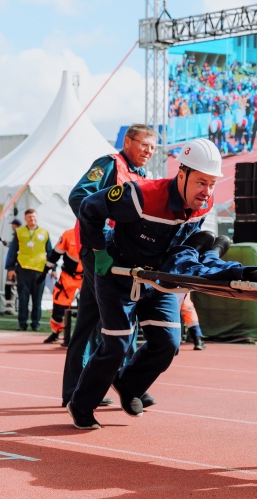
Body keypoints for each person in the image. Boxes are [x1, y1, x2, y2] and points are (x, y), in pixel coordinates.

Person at [67, 138, 222, 430]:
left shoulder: (205, 204)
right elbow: (88, 205)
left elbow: (186, 240)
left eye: (212, 184)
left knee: (168, 343)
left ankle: (127, 384)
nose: (207, 191)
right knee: (117, 343)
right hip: (119, 273)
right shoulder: (141, 195)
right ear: (183, 174)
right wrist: (98, 251)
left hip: (157, 278)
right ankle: (81, 404)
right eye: (202, 182)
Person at [62, 124, 156, 409]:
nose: (149, 152)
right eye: (144, 145)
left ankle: (76, 389)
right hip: (100, 250)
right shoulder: (108, 164)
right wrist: (103, 231)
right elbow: (79, 196)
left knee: (93, 319)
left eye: (153, 148)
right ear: (128, 142)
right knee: (118, 315)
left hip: (122, 253)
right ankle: (128, 383)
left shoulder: (142, 176)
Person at [5, 209, 52, 331]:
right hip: (23, 268)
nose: (32, 219)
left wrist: (53, 269)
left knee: (37, 298)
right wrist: (10, 268)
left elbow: (50, 252)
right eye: (30, 217)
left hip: (40, 270)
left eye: (34, 217)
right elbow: (12, 250)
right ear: (25, 219)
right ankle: (22, 323)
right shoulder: (19, 232)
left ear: (37, 218)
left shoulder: (44, 232)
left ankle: (35, 323)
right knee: (23, 298)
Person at [39, 227, 83, 344]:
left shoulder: (98, 231)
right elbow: (55, 254)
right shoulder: (68, 234)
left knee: (92, 306)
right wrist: (45, 271)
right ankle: (55, 333)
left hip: (87, 277)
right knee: (59, 306)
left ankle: (89, 337)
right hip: (68, 276)